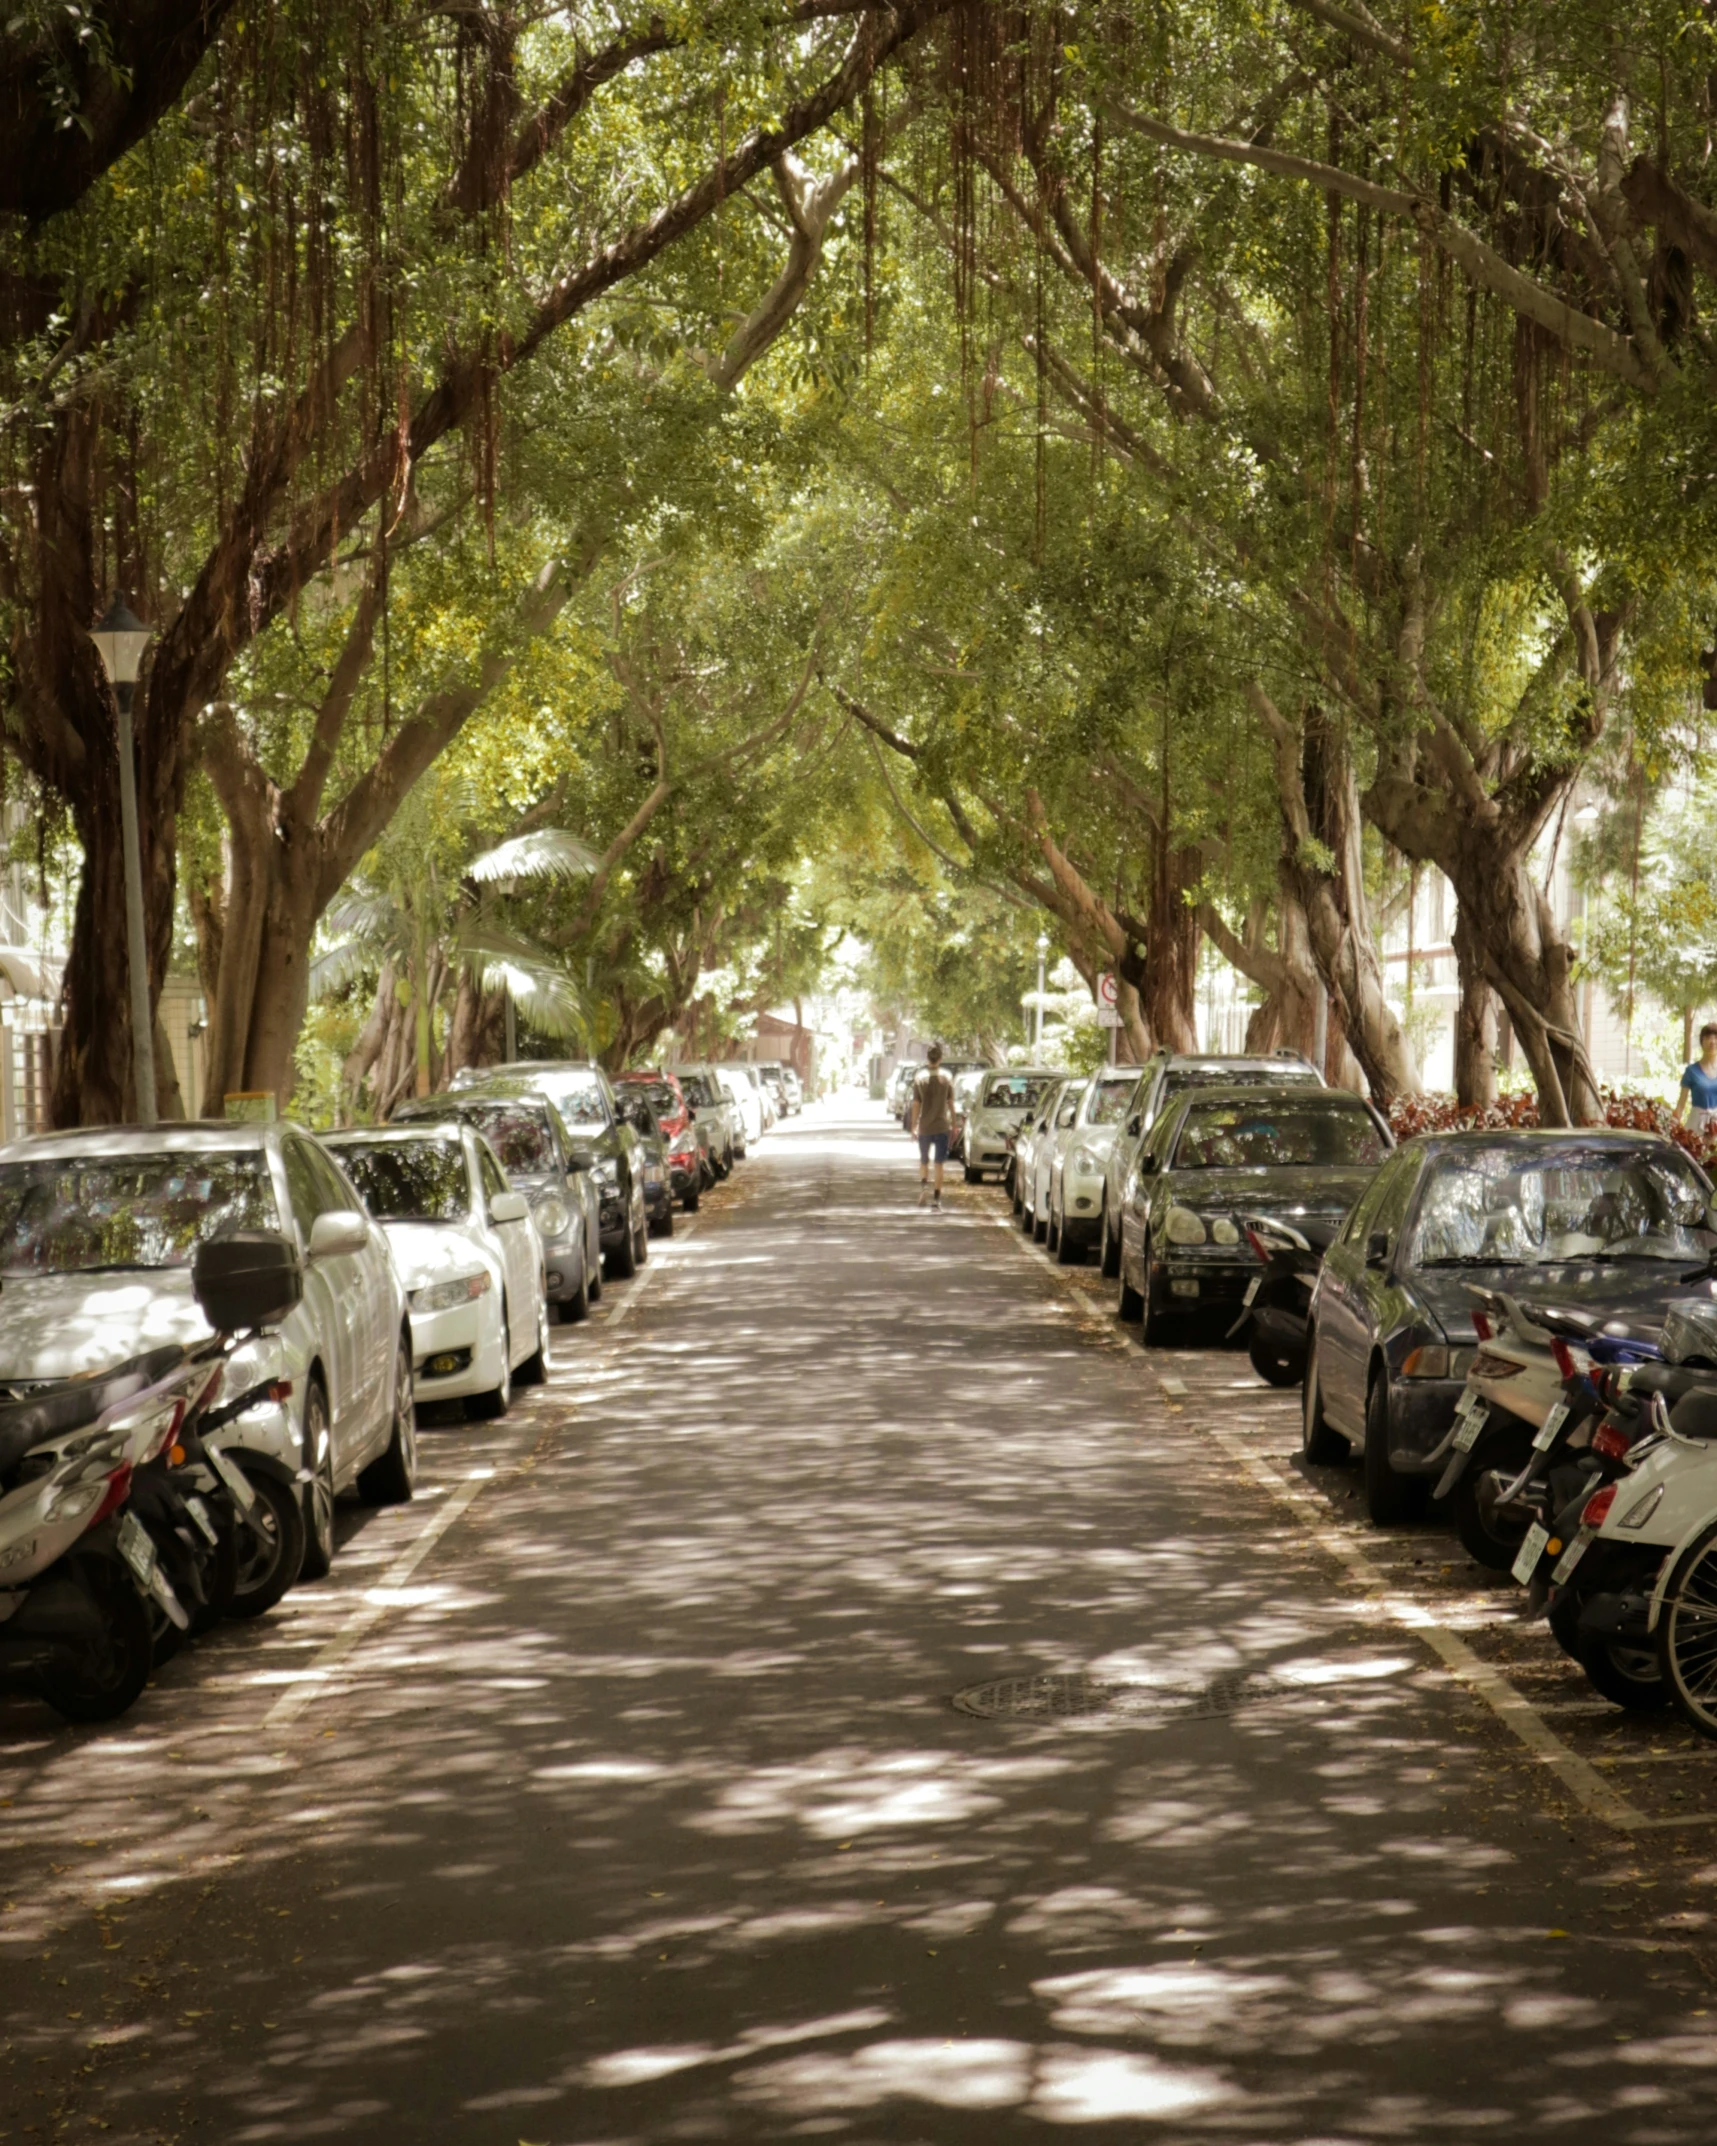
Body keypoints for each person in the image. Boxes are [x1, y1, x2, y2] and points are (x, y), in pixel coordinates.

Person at [910, 1044, 956, 1207]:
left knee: (924, 1161)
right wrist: (955, 1123)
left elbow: (916, 1104)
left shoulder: (919, 1077)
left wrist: (913, 1126)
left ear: (927, 1059)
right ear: (940, 1059)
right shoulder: (947, 1077)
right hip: (942, 1126)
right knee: (939, 1164)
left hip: (924, 1126)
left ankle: (924, 1187)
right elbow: (951, 1103)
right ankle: (936, 1198)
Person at [1676, 1024, 1717, 1133]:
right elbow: (1681, 1105)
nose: (1712, 1042)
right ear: (1702, 1042)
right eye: (1708, 1038)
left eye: (1715, 1038)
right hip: (1696, 1126)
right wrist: (1673, 1126)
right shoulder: (1691, 1071)